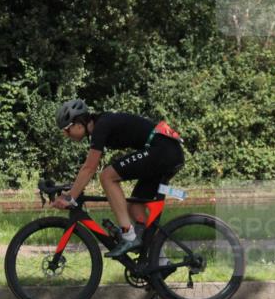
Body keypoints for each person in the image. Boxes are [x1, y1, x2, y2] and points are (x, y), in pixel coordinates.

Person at [52, 99, 185, 257]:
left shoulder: (101, 126)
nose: (66, 135)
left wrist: (70, 197)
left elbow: (89, 168)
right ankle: (159, 260)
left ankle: (128, 235)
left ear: (78, 124)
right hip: (166, 152)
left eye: (66, 130)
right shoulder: (100, 126)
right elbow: (88, 168)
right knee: (135, 208)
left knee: (107, 176)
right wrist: (72, 192)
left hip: (163, 151)